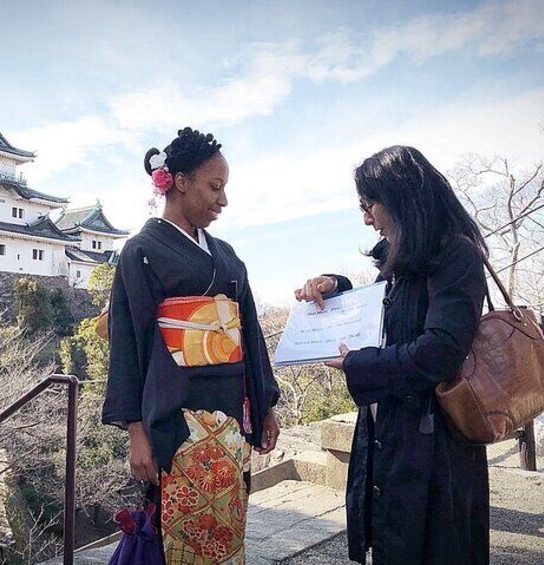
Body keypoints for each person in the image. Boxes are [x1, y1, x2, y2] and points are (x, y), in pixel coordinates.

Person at [295, 146, 489, 565]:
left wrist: (359, 365)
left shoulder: (456, 255)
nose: (366, 219)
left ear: (401, 199)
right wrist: (337, 288)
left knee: (435, 548)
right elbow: (390, 321)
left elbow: (440, 352)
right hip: (394, 438)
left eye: (369, 205)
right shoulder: (399, 259)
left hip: (436, 446)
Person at [103, 127, 281, 563]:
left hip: (230, 418)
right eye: (214, 187)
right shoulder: (140, 251)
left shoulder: (226, 253)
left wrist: (265, 404)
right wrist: (136, 433)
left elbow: (250, 334)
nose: (222, 200)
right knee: (180, 536)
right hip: (177, 421)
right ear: (180, 182)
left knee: (226, 531)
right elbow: (129, 346)